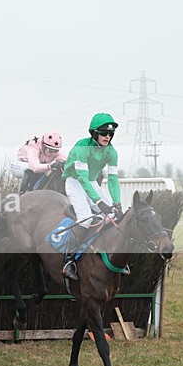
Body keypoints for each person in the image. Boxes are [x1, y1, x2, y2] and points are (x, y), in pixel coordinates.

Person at [60, 113, 122, 280]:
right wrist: (99, 201)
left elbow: (113, 180)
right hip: (75, 181)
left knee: (113, 215)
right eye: (103, 133)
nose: (107, 137)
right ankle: (69, 260)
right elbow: (82, 178)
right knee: (86, 218)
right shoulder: (82, 147)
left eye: (110, 134)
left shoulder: (111, 152)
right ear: (94, 133)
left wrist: (117, 202)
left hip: (92, 182)